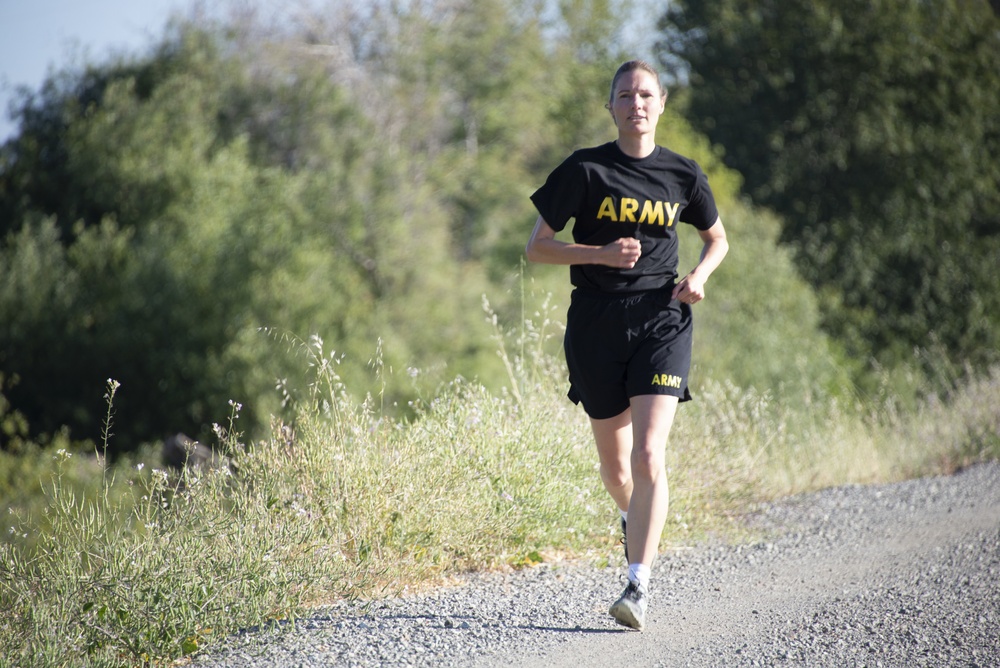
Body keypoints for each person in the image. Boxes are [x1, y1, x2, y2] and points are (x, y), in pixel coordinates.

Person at [525, 60, 728, 631]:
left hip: (663, 321)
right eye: (624, 95)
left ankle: (637, 584)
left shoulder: (684, 174)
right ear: (610, 107)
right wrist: (598, 254)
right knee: (617, 470)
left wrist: (701, 276)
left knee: (647, 456)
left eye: (645, 94)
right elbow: (537, 248)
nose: (636, 103)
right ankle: (631, 516)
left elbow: (717, 239)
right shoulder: (585, 170)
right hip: (594, 325)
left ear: (661, 103)